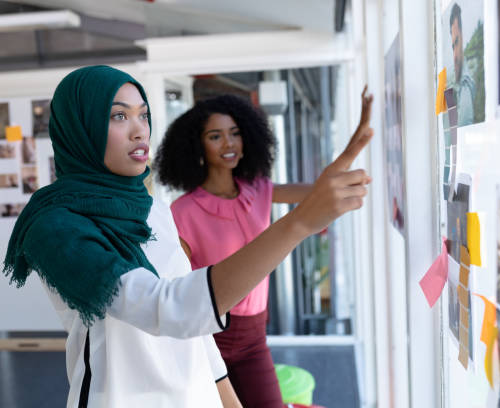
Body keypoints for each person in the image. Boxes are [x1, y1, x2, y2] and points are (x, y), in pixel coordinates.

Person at [2, 65, 373, 408]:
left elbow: (194, 337)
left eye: (143, 115)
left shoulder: (153, 208)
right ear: (79, 127)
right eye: (119, 116)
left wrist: (229, 401)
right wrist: (299, 224)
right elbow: (167, 307)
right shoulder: (53, 226)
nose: (139, 129)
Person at [155, 91, 372, 407]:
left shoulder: (259, 190)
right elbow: (181, 291)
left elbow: (319, 193)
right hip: (206, 339)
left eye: (235, 133)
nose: (229, 144)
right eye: (215, 136)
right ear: (197, 146)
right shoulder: (183, 212)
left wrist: (357, 140)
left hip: (254, 338)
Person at [449, 3, 475, 126]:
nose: (455, 55)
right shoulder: (457, 85)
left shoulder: (465, 86)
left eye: (457, 42)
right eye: (453, 46)